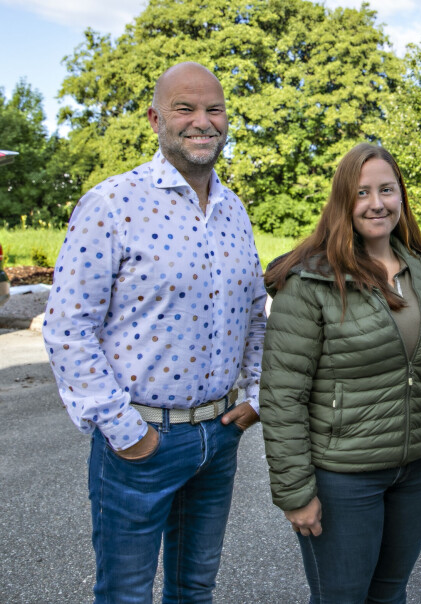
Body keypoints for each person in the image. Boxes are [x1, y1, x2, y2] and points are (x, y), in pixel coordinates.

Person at [42, 62, 267, 603]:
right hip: (140, 441)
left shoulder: (234, 210)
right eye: (184, 108)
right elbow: (68, 329)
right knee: (126, 594)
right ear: (154, 118)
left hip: (218, 436)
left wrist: (256, 397)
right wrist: (126, 432)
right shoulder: (111, 204)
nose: (202, 122)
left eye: (214, 109)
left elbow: (255, 314)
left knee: (194, 590)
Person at [259, 143, 421, 603]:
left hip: (419, 469)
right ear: (342, 202)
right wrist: (295, 491)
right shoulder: (310, 282)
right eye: (362, 192)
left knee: (390, 593)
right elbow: (282, 395)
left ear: (401, 197)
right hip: (343, 476)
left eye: (387, 190)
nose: (377, 203)